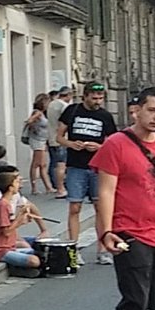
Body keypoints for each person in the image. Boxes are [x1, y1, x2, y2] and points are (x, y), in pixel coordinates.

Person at [91, 86, 155, 310]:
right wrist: (106, 232)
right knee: (137, 302)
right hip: (131, 233)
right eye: (151, 110)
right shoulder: (116, 144)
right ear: (136, 111)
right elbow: (106, 192)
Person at [56, 81, 117, 262]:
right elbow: (58, 136)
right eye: (94, 98)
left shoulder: (105, 116)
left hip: (98, 167)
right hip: (76, 166)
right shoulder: (72, 111)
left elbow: (113, 143)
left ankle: (103, 250)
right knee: (75, 207)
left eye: (100, 98)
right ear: (85, 97)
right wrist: (71, 144)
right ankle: (73, 248)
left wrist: (99, 147)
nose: (97, 102)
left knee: (100, 207)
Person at [0, 164, 49, 253]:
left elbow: (30, 206)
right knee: (27, 247)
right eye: (17, 179)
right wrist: (21, 237)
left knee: (42, 242)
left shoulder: (14, 193)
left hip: (7, 237)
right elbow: (5, 229)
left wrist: (44, 230)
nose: (20, 179)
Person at [0, 170, 43, 269]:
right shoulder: (2, 205)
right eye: (16, 182)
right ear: (10, 188)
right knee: (34, 261)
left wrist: (21, 216)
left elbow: (11, 224)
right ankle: (19, 270)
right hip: (1, 250)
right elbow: (6, 231)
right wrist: (19, 221)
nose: (19, 185)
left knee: (42, 253)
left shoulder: (6, 204)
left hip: (10, 247)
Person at [21, 93, 53, 195]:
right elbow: (29, 121)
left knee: (42, 164)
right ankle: (34, 187)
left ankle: (48, 187)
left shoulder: (42, 113)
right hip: (38, 140)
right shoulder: (38, 113)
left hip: (42, 140)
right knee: (36, 164)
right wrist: (34, 128)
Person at [46, 86, 72, 198]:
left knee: (54, 164)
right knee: (61, 164)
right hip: (61, 138)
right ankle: (61, 189)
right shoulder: (64, 106)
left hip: (51, 137)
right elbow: (67, 122)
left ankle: (56, 186)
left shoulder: (51, 104)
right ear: (68, 95)